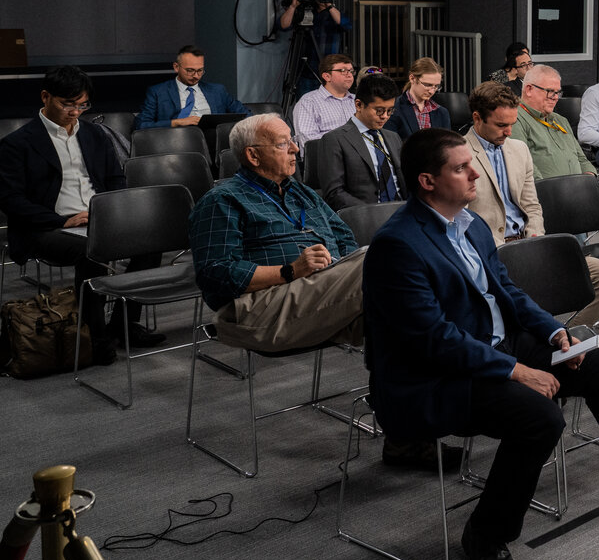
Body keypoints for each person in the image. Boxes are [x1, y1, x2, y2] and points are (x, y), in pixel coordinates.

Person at [365, 128, 599, 560]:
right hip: (435, 375)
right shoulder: (398, 245)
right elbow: (433, 339)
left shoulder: (469, 224)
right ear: (427, 181)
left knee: (598, 361)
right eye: (460, 167)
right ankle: (485, 536)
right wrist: (516, 370)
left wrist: (554, 333)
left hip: (495, 347)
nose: (476, 172)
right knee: (537, 417)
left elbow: (506, 292)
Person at [0, 66, 162, 363]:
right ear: (46, 97)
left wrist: (110, 210)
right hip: (47, 227)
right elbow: (11, 200)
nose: (75, 112)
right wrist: (63, 220)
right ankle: (95, 337)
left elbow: (115, 178)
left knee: (150, 242)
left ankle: (124, 324)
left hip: (97, 218)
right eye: (68, 104)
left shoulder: (94, 134)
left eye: (82, 105)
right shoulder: (17, 143)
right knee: (92, 253)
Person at [189, 114, 364, 355]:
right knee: (380, 262)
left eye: (292, 140)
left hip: (324, 293)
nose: (295, 149)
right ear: (253, 155)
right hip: (262, 305)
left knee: (401, 313)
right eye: (283, 144)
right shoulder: (222, 200)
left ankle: (396, 391)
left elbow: (344, 238)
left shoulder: (301, 192)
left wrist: (338, 274)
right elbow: (215, 273)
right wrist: (291, 270)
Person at [463, 83, 599, 327]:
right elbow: (460, 220)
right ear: (477, 118)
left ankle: (564, 339)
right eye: (501, 125)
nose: (509, 131)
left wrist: (536, 235)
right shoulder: (458, 154)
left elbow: (532, 204)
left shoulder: (518, 149)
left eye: (512, 123)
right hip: (490, 254)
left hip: (529, 241)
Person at [314, 72, 405, 210]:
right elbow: (334, 193)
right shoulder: (335, 140)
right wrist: (374, 213)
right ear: (359, 105)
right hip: (365, 216)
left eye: (390, 111)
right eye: (379, 111)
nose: (385, 117)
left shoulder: (393, 138)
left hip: (402, 212)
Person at [135, 44, 250, 130]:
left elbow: (245, 114)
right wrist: (176, 123)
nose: (196, 76)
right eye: (190, 71)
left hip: (214, 139)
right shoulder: (158, 92)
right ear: (176, 67)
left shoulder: (217, 90)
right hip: (177, 140)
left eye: (200, 71)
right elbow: (141, 125)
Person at [512, 65, 598, 179]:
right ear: (529, 90)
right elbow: (524, 166)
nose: (556, 97)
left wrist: (590, 179)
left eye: (558, 92)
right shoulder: (515, 119)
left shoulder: (561, 121)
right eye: (550, 91)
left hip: (580, 189)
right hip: (547, 193)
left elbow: (582, 159)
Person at [291, 53, 356, 144]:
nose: (349, 75)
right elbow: (309, 141)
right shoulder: (308, 102)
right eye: (343, 70)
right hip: (327, 156)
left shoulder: (357, 100)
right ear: (327, 76)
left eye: (351, 71)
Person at [390, 57, 445, 140]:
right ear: (412, 78)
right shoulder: (394, 109)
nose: (432, 91)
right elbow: (391, 146)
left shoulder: (442, 113)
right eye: (427, 85)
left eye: (436, 86)